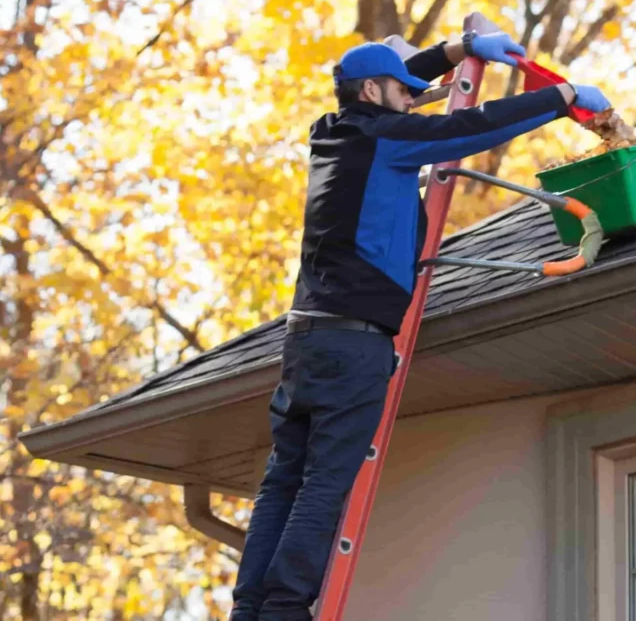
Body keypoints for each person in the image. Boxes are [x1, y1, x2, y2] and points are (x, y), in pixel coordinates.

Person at [229, 32, 612, 621]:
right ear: (371, 90)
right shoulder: (386, 138)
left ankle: (251, 608)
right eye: (404, 92)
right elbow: (469, 127)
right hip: (353, 343)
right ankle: (283, 610)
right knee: (325, 482)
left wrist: (458, 50)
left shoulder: (332, 132)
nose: (414, 100)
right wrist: (561, 97)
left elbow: (398, 78)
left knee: (283, 481)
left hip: (305, 340)